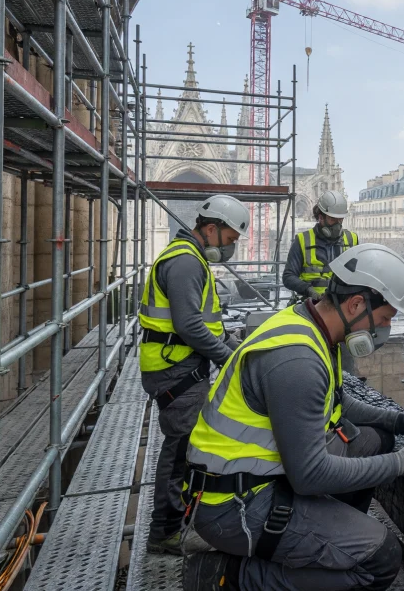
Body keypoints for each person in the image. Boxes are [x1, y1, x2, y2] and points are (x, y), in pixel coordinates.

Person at [182, 243, 404, 591]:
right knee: (382, 558)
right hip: (233, 506)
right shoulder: (298, 363)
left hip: (257, 475)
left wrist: (396, 421)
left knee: (375, 440)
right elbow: (310, 475)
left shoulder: (311, 324)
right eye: (384, 319)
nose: (383, 331)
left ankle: (325, 535)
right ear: (355, 304)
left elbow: (336, 403)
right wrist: (400, 463)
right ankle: (228, 577)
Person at [138, 194, 250, 555]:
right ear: (212, 228)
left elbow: (206, 324)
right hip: (175, 371)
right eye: (231, 239)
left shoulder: (189, 257)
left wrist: (234, 346)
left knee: (184, 448)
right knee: (180, 452)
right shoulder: (186, 263)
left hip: (179, 367)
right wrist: (228, 358)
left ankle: (176, 523)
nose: (231, 248)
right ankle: (165, 531)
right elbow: (189, 327)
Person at [284, 189, 359, 301]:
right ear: (320, 217)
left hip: (341, 305)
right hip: (310, 304)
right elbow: (288, 277)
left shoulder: (351, 239)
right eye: (333, 219)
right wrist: (308, 290)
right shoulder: (302, 240)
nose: (338, 224)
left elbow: (359, 274)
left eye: (340, 219)